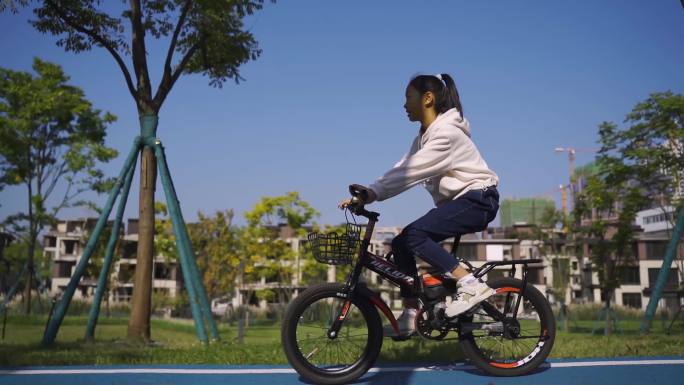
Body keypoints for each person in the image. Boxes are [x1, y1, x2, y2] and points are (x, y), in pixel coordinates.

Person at [339, 73, 500, 337]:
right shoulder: (424, 136)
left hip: (478, 199)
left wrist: (372, 193)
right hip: (461, 201)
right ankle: (412, 312)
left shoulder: (445, 134)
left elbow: (410, 173)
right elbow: (403, 167)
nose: (404, 104)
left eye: (408, 97)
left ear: (428, 99)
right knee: (401, 242)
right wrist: (368, 193)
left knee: (415, 235)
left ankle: (471, 284)